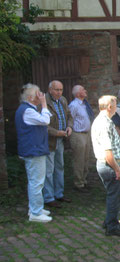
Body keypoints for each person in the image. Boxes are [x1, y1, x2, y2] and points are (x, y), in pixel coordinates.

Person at [91, 95, 120, 236]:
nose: (117, 107)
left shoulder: (105, 120)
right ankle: (112, 227)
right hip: (109, 166)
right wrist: (117, 170)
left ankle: (110, 221)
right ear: (109, 107)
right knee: (114, 196)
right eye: (115, 104)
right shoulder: (104, 124)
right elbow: (108, 152)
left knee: (112, 195)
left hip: (108, 165)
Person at [16, 84, 53, 222]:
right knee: (36, 182)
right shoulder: (27, 111)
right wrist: (44, 104)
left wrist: (42, 105)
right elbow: (46, 120)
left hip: (34, 149)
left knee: (36, 181)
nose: (41, 96)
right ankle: (36, 213)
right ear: (31, 97)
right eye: (38, 94)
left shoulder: (27, 109)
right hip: (33, 150)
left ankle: (36, 207)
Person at [43, 80, 73, 208]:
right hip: (49, 141)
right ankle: (49, 197)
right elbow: (43, 125)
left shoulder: (63, 100)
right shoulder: (43, 102)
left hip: (61, 139)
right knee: (49, 170)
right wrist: (57, 133)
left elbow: (69, 116)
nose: (59, 92)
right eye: (56, 90)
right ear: (50, 90)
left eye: (61, 90)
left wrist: (69, 127)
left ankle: (59, 194)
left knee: (59, 167)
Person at [68, 85, 94, 193]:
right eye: (83, 90)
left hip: (86, 134)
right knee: (79, 159)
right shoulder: (74, 105)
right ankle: (78, 183)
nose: (85, 91)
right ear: (78, 93)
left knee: (86, 158)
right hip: (78, 134)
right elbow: (70, 119)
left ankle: (84, 180)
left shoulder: (84, 104)